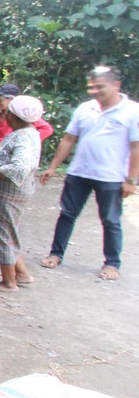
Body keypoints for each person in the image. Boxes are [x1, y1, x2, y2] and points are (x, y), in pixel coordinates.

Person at [39, 66, 139, 280]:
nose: (95, 91)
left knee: (111, 220)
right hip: (79, 172)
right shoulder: (85, 108)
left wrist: (131, 180)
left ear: (116, 85)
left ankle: (112, 263)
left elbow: (135, 147)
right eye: (91, 87)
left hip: (111, 177)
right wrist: (53, 166)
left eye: (100, 87)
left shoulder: (132, 111)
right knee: (67, 214)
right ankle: (56, 254)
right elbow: (69, 138)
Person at [0, 95, 45, 292]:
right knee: (7, 231)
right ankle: (21, 274)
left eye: (8, 112)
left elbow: (18, 168)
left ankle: (9, 282)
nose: (5, 114)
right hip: (9, 189)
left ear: (15, 116)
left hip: (8, 190)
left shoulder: (24, 136)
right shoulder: (28, 133)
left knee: (1, 233)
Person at [0, 82, 54, 173]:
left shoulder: (24, 117)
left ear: (12, 100)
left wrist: (26, 140)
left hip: (10, 159)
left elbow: (47, 129)